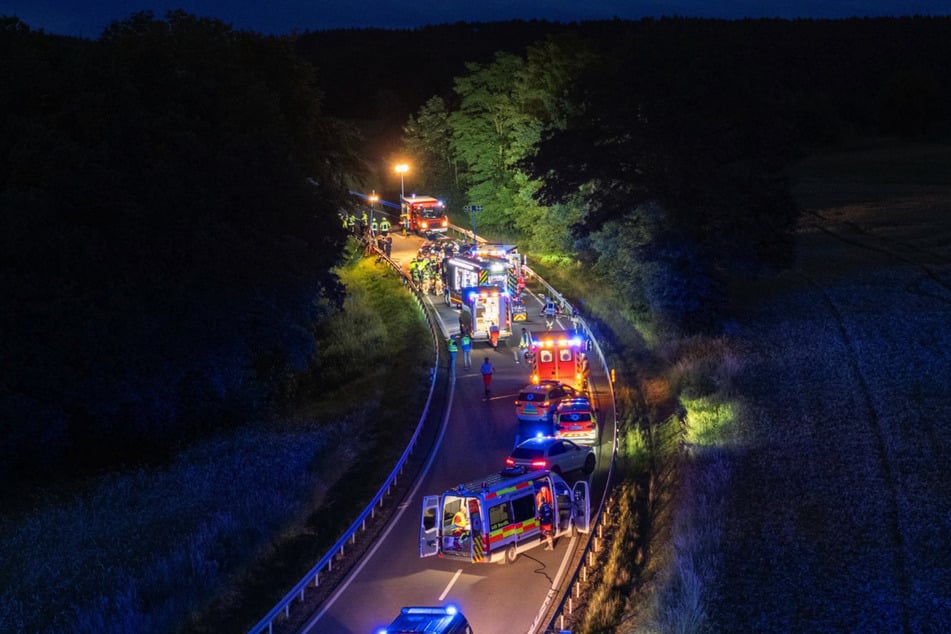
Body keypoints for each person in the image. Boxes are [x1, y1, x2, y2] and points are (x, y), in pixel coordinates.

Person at [536, 483, 555, 550]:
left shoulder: (541, 506)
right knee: (546, 533)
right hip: (548, 521)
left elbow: (540, 514)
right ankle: (550, 543)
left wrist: (538, 518)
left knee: (545, 533)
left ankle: (550, 545)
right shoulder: (547, 505)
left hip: (544, 522)